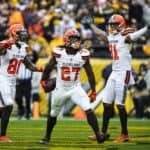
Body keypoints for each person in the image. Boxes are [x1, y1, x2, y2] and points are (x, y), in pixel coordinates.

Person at [84, 14, 150, 142]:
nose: (111, 27)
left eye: (114, 25)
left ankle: (124, 134)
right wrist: (91, 24)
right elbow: (100, 34)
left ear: (121, 25)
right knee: (106, 103)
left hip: (123, 73)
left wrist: (146, 28)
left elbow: (133, 36)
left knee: (120, 104)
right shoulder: (112, 36)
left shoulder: (126, 35)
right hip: (114, 73)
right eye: (110, 25)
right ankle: (102, 132)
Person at [39, 28, 107, 144]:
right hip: (61, 88)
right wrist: (43, 80)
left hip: (75, 88)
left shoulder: (82, 54)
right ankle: (47, 136)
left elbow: (90, 74)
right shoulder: (59, 53)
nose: (77, 42)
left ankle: (98, 136)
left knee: (88, 109)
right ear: (67, 40)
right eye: (74, 39)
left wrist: (94, 91)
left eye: (77, 39)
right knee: (53, 113)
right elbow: (48, 67)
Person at [0, 24, 43, 142]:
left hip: (12, 80)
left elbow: (28, 64)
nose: (23, 35)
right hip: (2, 78)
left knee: (3, 108)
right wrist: (5, 44)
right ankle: (2, 135)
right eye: (20, 33)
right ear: (13, 34)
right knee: (8, 105)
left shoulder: (23, 47)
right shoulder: (7, 44)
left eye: (23, 33)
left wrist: (38, 69)